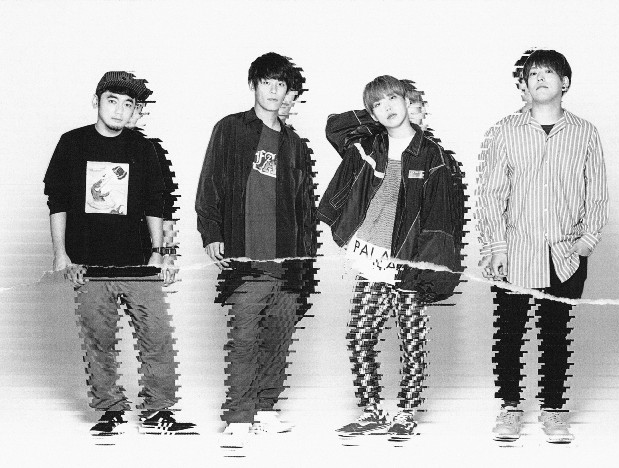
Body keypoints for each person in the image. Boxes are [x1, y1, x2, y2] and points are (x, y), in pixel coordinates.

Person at [43, 71, 194, 435]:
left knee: (157, 336)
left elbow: (159, 203)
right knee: (99, 340)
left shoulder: (144, 148)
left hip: (138, 262)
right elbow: (57, 201)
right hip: (88, 262)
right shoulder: (72, 143)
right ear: (97, 101)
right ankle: (110, 411)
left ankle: (157, 413)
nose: (120, 110)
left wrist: (164, 252)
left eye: (129, 104)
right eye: (112, 101)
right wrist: (60, 253)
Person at [319, 75, 465, 437]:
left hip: (409, 261)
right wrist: (376, 118)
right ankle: (371, 412)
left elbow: (440, 217)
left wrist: (430, 268)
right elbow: (335, 128)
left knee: (412, 340)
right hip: (371, 257)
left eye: (393, 99)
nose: (387, 107)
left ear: (407, 101)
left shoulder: (432, 155)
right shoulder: (369, 145)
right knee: (359, 337)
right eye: (378, 104)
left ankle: (406, 413)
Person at [477, 49, 609, 443]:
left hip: (565, 254)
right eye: (533, 73)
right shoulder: (504, 131)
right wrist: (496, 246)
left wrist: (586, 243)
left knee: (556, 334)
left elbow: (597, 192)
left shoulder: (585, 132)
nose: (539, 78)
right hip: (516, 250)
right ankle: (510, 409)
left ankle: (554, 412)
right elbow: (491, 194)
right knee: (509, 334)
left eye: (549, 72)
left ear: (564, 83)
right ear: (524, 83)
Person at [195, 52, 318, 444]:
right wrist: (211, 232)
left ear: (289, 92)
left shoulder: (295, 144)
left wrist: (307, 265)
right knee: (245, 339)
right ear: (254, 85)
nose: (274, 91)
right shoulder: (231, 129)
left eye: (281, 84)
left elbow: (305, 209)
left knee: (278, 340)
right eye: (267, 82)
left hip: (288, 260)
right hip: (246, 256)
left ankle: (265, 409)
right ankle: (238, 416)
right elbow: (210, 181)